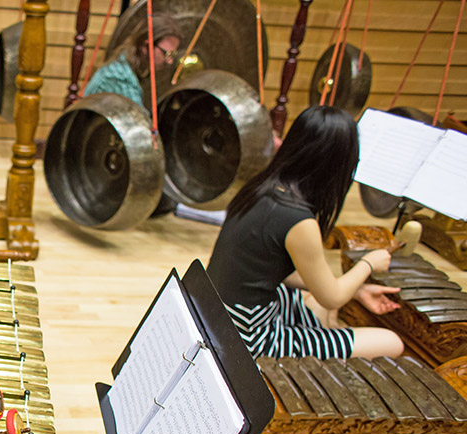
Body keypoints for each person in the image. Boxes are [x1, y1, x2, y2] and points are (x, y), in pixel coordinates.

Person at [207, 105, 404, 359]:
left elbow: (269, 269)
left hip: (221, 309)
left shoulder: (263, 187)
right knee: (392, 343)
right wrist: (369, 263)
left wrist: (356, 290)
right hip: (247, 334)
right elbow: (332, 297)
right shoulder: (298, 220)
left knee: (322, 308)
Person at [83, 14, 182, 106]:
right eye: (166, 54)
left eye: (172, 55)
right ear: (146, 47)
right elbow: (138, 123)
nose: (170, 61)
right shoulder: (120, 79)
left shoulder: (126, 66)